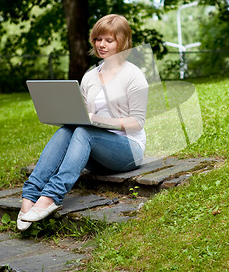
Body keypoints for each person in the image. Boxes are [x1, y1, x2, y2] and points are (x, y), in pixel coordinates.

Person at [17, 14, 149, 231]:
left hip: (128, 150)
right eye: (98, 39)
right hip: (95, 153)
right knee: (69, 128)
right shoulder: (89, 76)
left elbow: (137, 123)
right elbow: (83, 116)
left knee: (84, 131)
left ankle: (51, 196)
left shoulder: (134, 75)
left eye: (109, 40)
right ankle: (30, 195)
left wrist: (97, 120)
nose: (102, 45)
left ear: (122, 41)